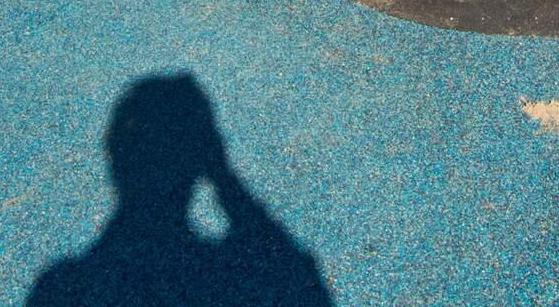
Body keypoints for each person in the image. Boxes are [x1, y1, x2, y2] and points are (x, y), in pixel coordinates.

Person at [28, 75, 333, 306]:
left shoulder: (58, 286)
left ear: (115, 156)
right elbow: (289, 265)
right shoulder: (246, 272)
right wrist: (221, 173)